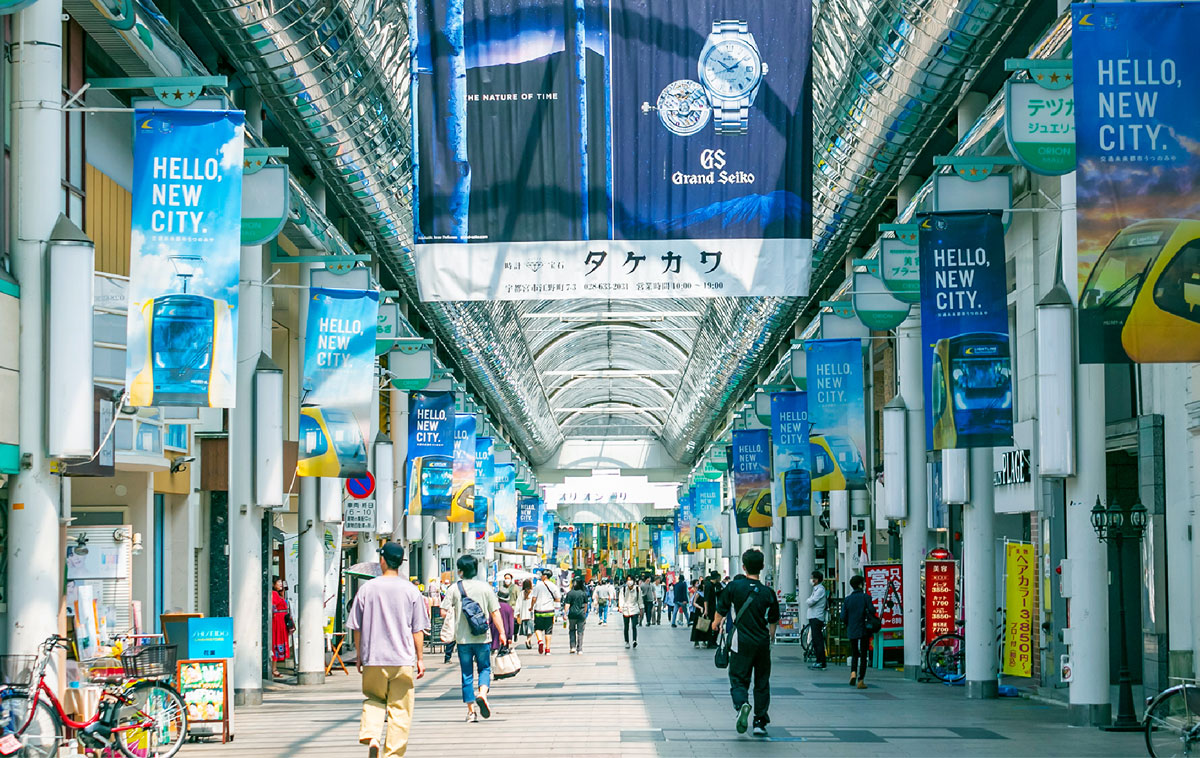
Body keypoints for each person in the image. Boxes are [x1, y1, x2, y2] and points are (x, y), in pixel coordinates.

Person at [346, 542, 428, 758]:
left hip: (374, 658)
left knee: (374, 699)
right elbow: (418, 630)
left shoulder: (366, 589)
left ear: (382, 560)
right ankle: (391, 754)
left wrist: (360, 655)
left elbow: (357, 627)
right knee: (400, 709)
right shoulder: (411, 590)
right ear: (400, 563)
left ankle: (372, 736)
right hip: (402, 659)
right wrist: (420, 659)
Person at [714, 548, 781, 738]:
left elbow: (721, 609)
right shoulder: (768, 592)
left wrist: (715, 623)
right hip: (761, 643)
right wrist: (770, 637)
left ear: (744, 567)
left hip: (740, 642)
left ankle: (742, 703)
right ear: (761, 567)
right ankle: (760, 722)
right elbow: (773, 620)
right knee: (761, 682)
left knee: (738, 678)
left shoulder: (734, 587)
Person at [442, 554, 507, 722]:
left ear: (460, 571)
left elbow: (443, 611)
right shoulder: (485, 588)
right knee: (485, 668)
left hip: (463, 640)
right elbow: (495, 612)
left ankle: (471, 712)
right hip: (482, 637)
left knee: (467, 674)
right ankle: (483, 693)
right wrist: (502, 633)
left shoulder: (454, 589)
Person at [842, 574, 876, 690]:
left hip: (852, 629)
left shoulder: (847, 599)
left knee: (854, 653)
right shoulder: (866, 597)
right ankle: (861, 680)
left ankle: (853, 673)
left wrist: (849, 624)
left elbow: (843, 616)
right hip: (864, 630)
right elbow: (872, 610)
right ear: (860, 584)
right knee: (863, 654)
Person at [530, 570, 561, 654]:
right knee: (548, 630)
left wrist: (531, 607)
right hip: (549, 611)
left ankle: (540, 641)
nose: (541, 577)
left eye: (542, 575)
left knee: (538, 628)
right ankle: (547, 650)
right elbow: (558, 599)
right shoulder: (554, 586)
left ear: (545, 576)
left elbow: (534, 598)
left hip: (539, 611)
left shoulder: (537, 586)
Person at [269, 577, 292, 679]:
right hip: (277, 622)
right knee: (275, 644)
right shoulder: (273, 594)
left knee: (276, 644)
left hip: (280, 621)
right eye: (278, 582)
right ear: (273, 584)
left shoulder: (278, 594)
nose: (281, 584)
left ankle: (274, 668)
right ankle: (273, 669)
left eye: (281, 582)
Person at [805, 570, 828, 670]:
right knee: (815, 639)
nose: (811, 580)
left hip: (817, 617)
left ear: (816, 579)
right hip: (813, 616)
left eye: (812, 578)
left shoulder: (820, 590)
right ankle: (819, 660)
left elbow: (811, 601)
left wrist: (808, 601)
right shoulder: (816, 589)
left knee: (818, 640)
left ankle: (821, 661)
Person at [563, 577, 589, 654]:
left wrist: (565, 613)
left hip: (572, 615)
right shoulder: (583, 593)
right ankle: (580, 649)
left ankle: (572, 647)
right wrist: (584, 612)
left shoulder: (570, 593)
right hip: (581, 615)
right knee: (580, 632)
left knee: (572, 630)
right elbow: (585, 605)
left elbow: (567, 604)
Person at [691, 575, 718, 649]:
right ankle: (696, 641)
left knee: (705, 626)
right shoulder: (698, 593)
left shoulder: (707, 592)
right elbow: (694, 603)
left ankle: (704, 640)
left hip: (705, 611)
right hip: (699, 612)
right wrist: (700, 607)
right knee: (698, 626)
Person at [618, 576, 642, 649]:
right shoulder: (623, 589)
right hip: (626, 610)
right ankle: (627, 641)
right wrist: (620, 606)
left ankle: (634, 640)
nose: (629, 581)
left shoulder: (637, 589)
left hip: (634, 609)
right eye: (628, 580)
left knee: (634, 626)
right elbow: (621, 599)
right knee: (626, 626)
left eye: (631, 580)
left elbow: (640, 599)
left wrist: (641, 608)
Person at [516, 578, 535, 649]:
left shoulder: (521, 593)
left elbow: (518, 604)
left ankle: (529, 642)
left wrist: (517, 613)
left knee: (527, 630)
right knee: (531, 629)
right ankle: (528, 640)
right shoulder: (532, 592)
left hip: (523, 615)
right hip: (531, 614)